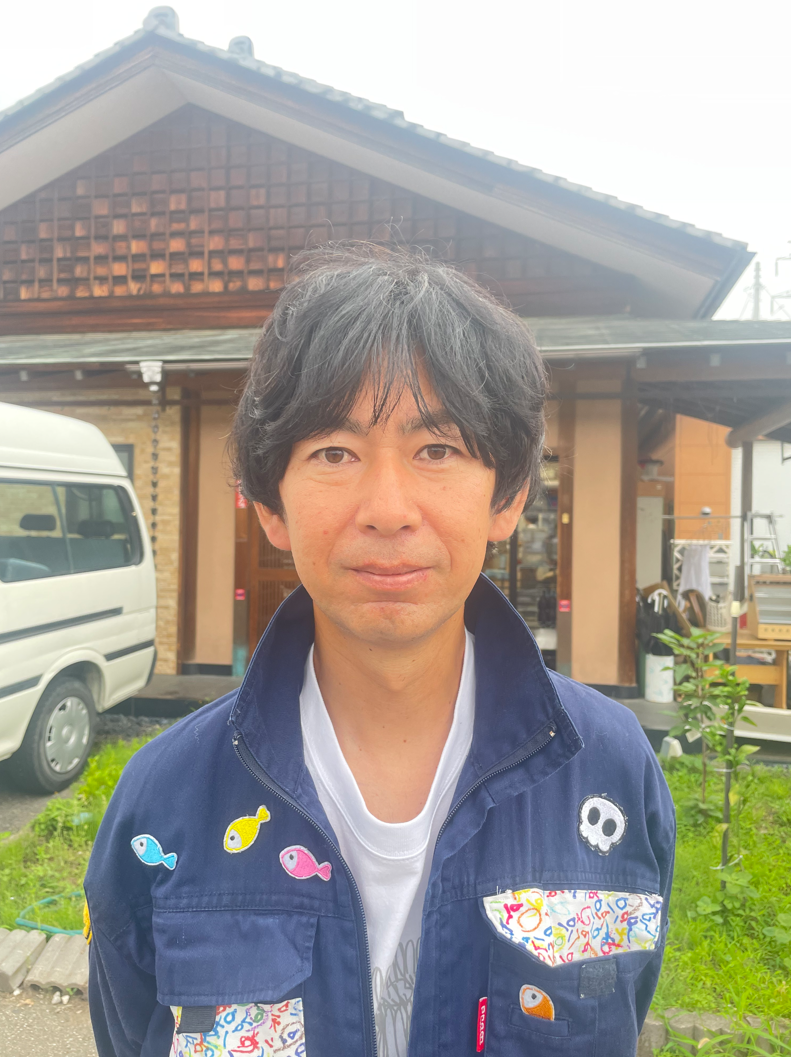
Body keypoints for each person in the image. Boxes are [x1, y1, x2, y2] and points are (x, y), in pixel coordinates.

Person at [85, 244, 675, 1057]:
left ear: (505, 496)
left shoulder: (608, 768)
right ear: (271, 507)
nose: (388, 508)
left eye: (437, 449)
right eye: (334, 452)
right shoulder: (164, 800)